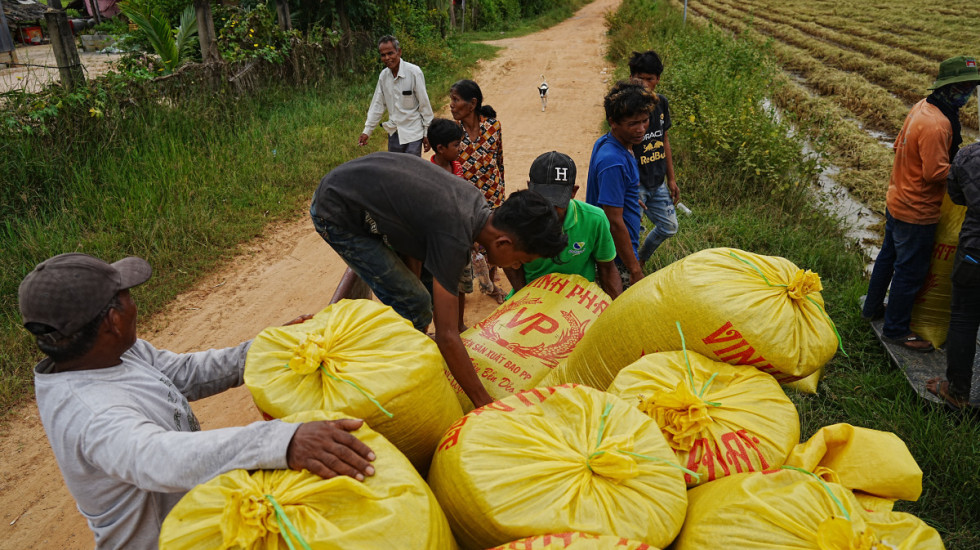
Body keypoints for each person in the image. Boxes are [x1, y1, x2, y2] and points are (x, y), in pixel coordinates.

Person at [19, 253, 376, 549]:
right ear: (112, 320)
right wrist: (284, 441)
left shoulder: (110, 353)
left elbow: (184, 373)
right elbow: (160, 457)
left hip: (194, 517)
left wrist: (266, 350)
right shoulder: (92, 414)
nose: (134, 302)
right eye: (126, 295)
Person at [310, 152, 567, 409]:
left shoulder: (474, 205)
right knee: (416, 305)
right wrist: (485, 404)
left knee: (417, 293)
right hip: (337, 210)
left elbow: (418, 235)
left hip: (357, 188)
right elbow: (446, 335)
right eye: (519, 260)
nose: (515, 266)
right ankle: (376, 376)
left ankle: (402, 350)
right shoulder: (455, 236)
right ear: (503, 242)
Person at [862, 56, 980, 352]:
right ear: (948, 87)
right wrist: (965, 169)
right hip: (917, 209)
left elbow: (897, 144)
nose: (968, 94)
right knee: (910, 271)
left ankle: (872, 308)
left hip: (898, 198)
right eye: (964, 87)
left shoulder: (922, 107)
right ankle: (897, 329)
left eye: (971, 87)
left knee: (888, 257)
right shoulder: (938, 124)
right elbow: (933, 173)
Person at [505, 151, 623, 300]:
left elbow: (607, 269)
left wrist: (616, 307)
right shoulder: (515, 220)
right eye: (541, 199)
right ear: (529, 188)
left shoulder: (595, 219)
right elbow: (509, 264)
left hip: (578, 302)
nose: (548, 208)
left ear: (573, 192)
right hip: (531, 298)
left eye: (556, 202)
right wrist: (524, 297)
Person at [586, 80, 658, 289]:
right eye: (633, 124)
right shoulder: (613, 161)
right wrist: (635, 269)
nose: (641, 129)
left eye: (645, 121)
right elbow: (614, 222)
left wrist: (627, 196)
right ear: (613, 122)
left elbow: (608, 189)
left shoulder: (612, 143)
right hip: (616, 259)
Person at [927, 141, 980, 409]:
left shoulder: (970, 156)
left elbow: (957, 196)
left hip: (975, 254)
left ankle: (957, 391)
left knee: (964, 318)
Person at [450, 78, 508, 301]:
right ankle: (463, 288)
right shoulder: (452, 133)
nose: (452, 105)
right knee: (467, 240)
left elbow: (499, 160)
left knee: (493, 237)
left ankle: (491, 283)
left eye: (456, 100)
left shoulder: (493, 127)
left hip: (493, 195)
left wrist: (501, 187)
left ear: (472, 104)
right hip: (465, 200)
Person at [629, 50, 680, 265]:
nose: (645, 83)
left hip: (657, 181)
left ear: (658, 79)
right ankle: (625, 272)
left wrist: (671, 179)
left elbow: (664, 139)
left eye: (650, 79)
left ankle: (639, 262)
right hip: (637, 183)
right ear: (632, 77)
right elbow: (626, 147)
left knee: (669, 227)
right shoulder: (628, 107)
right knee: (632, 232)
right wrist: (631, 184)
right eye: (639, 78)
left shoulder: (662, 104)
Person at [358, 35, 434, 156]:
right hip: (394, 133)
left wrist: (427, 133)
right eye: (383, 55)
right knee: (396, 171)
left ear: (399, 52)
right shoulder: (384, 76)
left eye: (390, 53)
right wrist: (367, 131)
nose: (387, 58)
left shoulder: (414, 72)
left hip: (413, 133)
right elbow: (378, 104)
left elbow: (424, 105)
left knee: (411, 170)